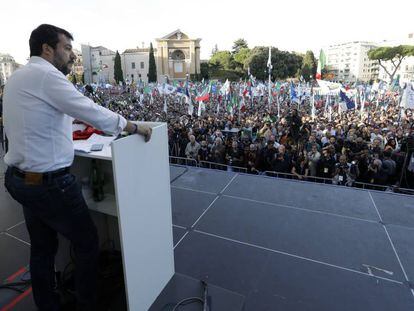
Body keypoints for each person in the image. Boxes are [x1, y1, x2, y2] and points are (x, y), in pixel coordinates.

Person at [2, 24, 152, 311]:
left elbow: (37, 120)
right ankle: (86, 304)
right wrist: (131, 125)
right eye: (67, 48)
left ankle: (48, 305)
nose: (71, 55)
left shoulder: (19, 77)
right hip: (49, 184)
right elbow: (89, 110)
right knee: (87, 243)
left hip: (21, 180)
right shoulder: (47, 76)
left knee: (43, 249)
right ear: (47, 49)